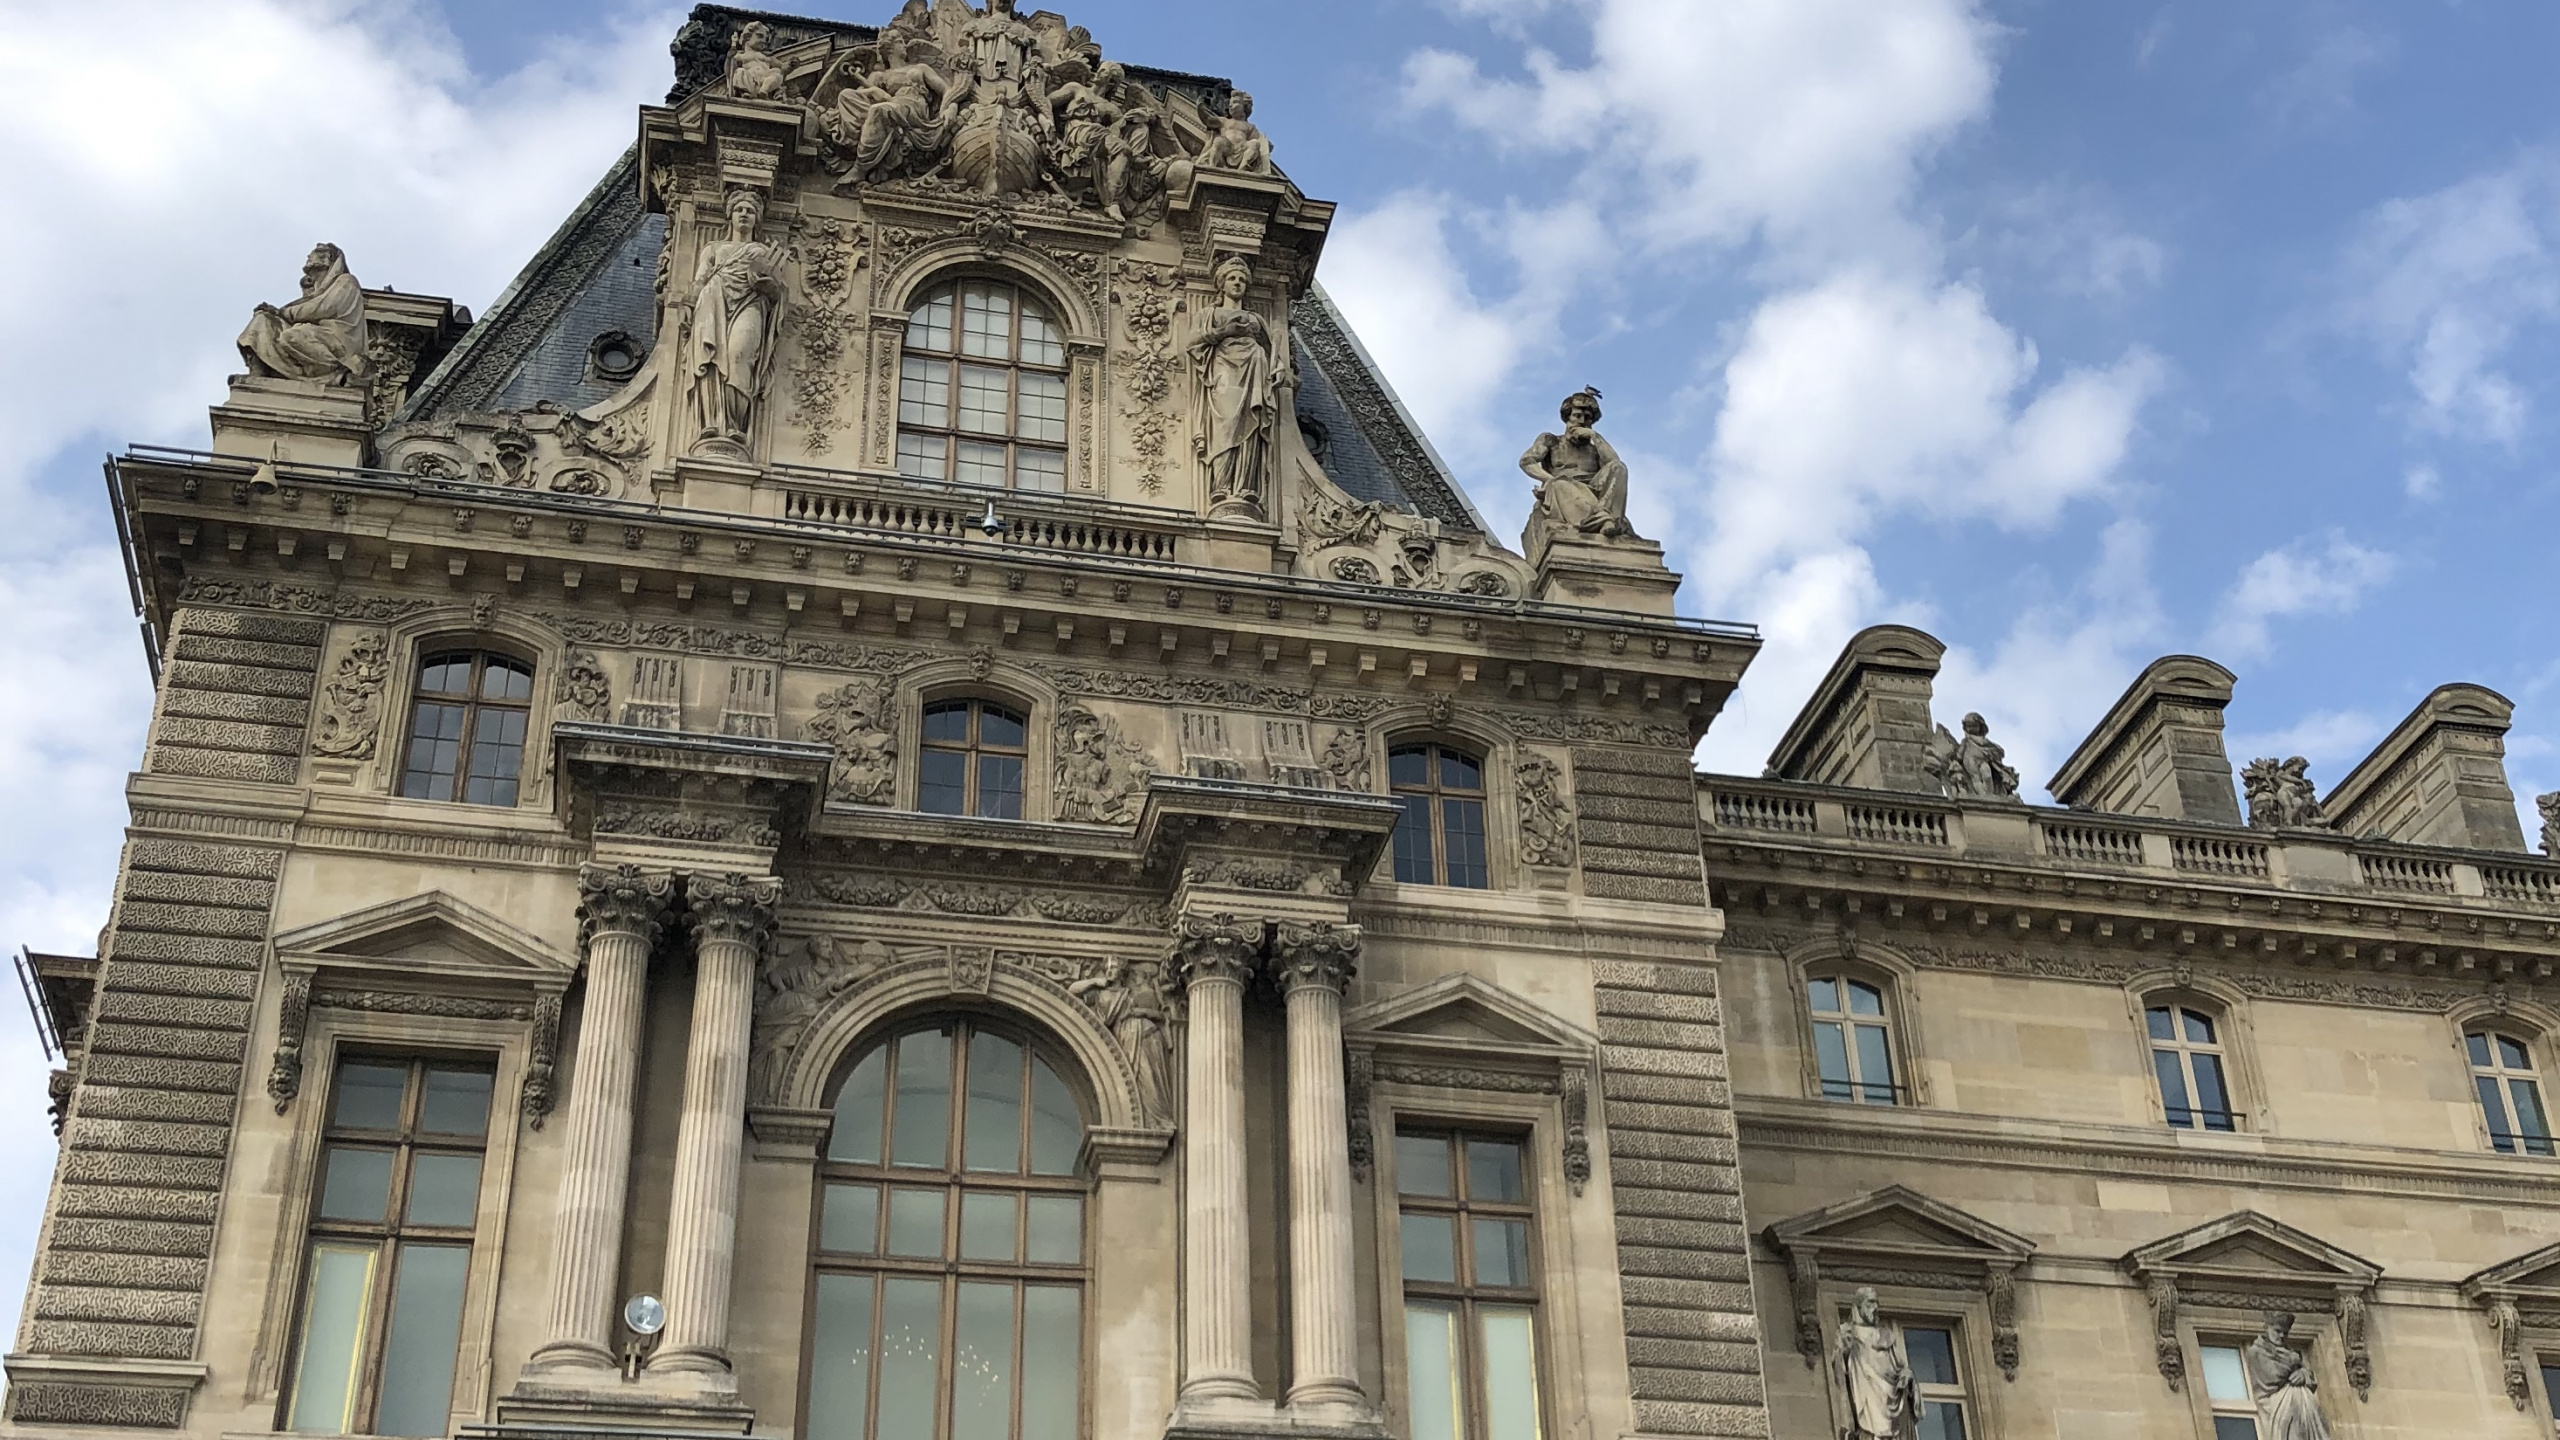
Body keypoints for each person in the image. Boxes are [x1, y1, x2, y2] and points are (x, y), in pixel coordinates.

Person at [685, 190, 787, 453]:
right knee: (710, 361)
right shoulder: (713, 249)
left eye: (750, 211)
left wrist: (770, 287)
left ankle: (735, 426)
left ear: (757, 219)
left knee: (739, 354)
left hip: (751, 303)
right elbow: (699, 280)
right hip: (713, 300)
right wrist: (687, 305)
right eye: (740, 210)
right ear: (730, 215)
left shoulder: (761, 251)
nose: (744, 215)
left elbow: (776, 292)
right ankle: (712, 423)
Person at [1189, 255, 1281, 517]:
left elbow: (1273, 349)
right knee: (1224, 425)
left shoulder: (1255, 319)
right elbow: (1193, 343)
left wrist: (1280, 369)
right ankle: (1221, 486)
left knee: (1249, 427)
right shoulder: (1210, 314)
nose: (1237, 283)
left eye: (1242, 279)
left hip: (1253, 370)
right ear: (1222, 284)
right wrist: (1223, 331)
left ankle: (1243, 488)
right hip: (1224, 374)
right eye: (1232, 278)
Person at [237, 243, 371, 385]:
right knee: (263, 320)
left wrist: (283, 312)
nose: (309, 256)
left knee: (292, 336)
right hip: (313, 333)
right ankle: (259, 370)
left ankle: (339, 373)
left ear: (327, 259)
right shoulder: (317, 288)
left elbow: (324, 307)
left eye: (315, 253)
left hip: (336, 338)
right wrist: (276, 313)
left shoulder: (347, 281)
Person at [1519, 387, 1631, 539]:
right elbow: (1527, 461)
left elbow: (1614, 464)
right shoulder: (1552, 440)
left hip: (1593, 489)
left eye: (1588, 418)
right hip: (1563, 487)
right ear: (1568, 418)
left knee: (1619, 467)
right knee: (1559, 484)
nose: (1582, 421)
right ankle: (1604, 521)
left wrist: (1595, 436)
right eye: (1577, 416)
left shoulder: (1595, 449)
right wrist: (1548, 479)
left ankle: (1604, 518)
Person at [1836, 1287, 1921, 1440]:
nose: (1874, 1308)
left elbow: (1899, 1366)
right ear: (1859, 1306)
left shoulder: (1886, 1335)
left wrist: (1907, 1375)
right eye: (1870, 1303)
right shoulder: (1847, 1332)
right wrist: (1845, 1351)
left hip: (1891, 1395)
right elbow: (1841, 1370)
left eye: (1876, 1303)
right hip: (1867, 1393)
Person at [2243, 1312, 2332, 1440]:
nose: (2281, 1336)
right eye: (2277, 1331)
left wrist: (2303, 1373)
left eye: (2285, 1333)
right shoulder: (2257, 1351)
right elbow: (2273, 1377)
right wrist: (2295, 1366)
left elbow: (2308, 1376)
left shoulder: (2290, 1353)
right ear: (2267, 1328)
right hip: (2280, 1407)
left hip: (2304, 1412)